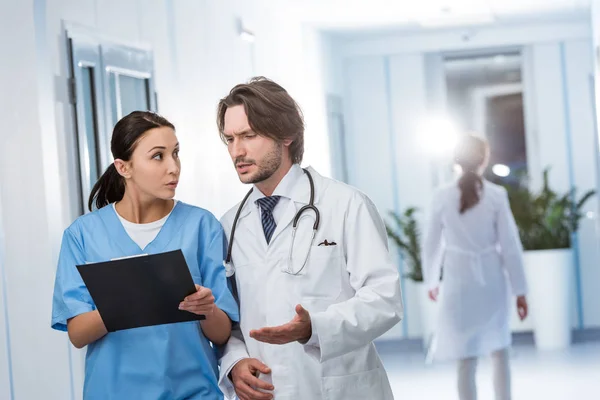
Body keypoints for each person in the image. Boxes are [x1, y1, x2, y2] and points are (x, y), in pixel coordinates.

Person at [215, 77, 403, 400]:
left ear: (286, 135)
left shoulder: (345, 205)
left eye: (249, 136)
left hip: (336, 388)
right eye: (230, 139)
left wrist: (315, 327)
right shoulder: (229, 224)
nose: (237, 151)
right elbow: (228, 319)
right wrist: (234, 362)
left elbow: (385, 300)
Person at [51, 111, 239, 399]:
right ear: (123, 167)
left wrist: (207, 309)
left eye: (176, 154)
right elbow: (78, 334)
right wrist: (129, 297)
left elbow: (222, 332)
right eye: (158, 156)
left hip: (193, 392)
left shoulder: (202, 227)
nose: (173, 167)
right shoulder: (82, 235)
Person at [422, 134, 529, 400]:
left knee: (465, 357)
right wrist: (520, 291)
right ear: (485, 159)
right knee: (499, 350)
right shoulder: (496, 195)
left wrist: (432, 281)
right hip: (492, 279)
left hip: (459, 281)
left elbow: (431, 245)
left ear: (456, 159)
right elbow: (510, 246)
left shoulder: (441, 196)